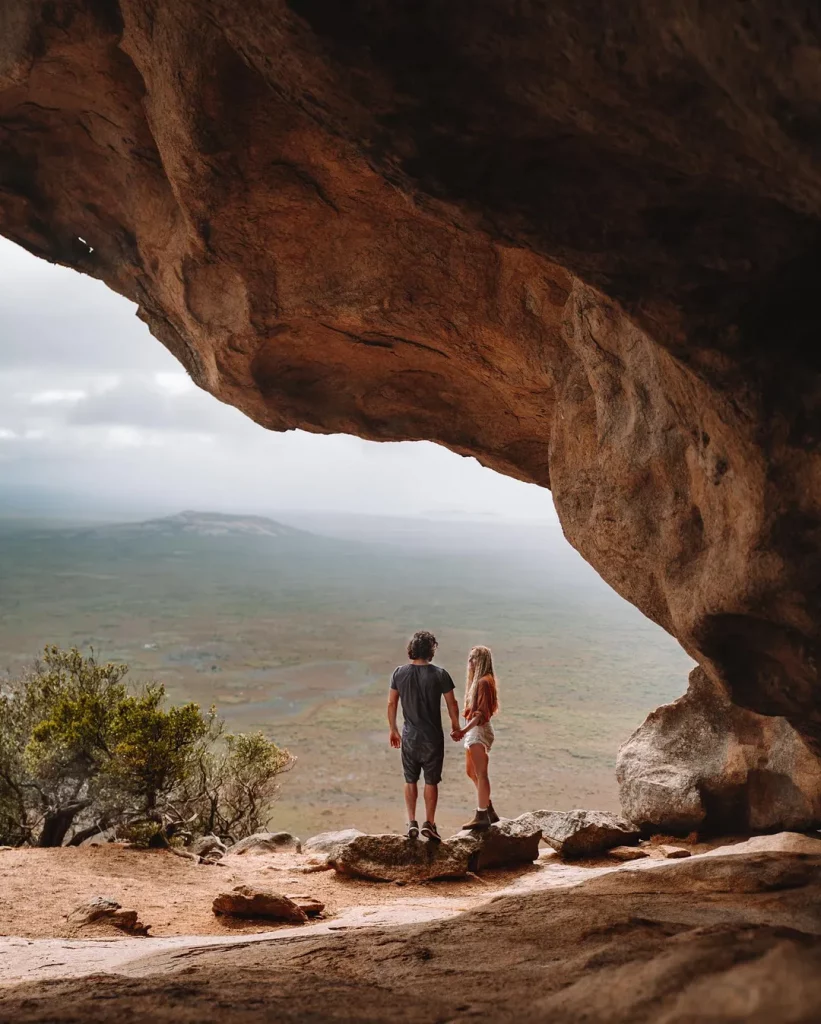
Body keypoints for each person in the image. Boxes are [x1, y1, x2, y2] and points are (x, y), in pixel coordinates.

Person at [387, 630, 461, 841]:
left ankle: (412, 822)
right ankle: (429, 822)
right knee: (431, 781)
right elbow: (451, 703)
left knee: (410, 779)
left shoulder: (399, 673)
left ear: (412, 649)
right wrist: (455, 726)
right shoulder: (440, 674)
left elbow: (392, 702)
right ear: (431, 650)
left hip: (409, 736)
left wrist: (393, 729)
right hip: (432, 738)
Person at [457, 645, 500, 829]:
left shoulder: (483, 682)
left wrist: (463, 730)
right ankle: (489, 809)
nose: (470, 662)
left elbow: (480, 714)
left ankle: (482, 814)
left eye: (473, 658)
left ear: (480, 660)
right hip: (478, 729)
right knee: (471, 771)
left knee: (481, 773)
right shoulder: (483, 681)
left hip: (479, 729)